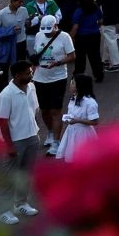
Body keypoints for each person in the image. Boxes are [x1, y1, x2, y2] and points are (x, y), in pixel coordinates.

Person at [0, 61, 43, 225]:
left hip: (31, 137)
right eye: (27, 73)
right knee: (10, 176)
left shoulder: (31, 88)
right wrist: (9, 145)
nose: (30, 75)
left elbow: (34, 109)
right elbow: (2, 121)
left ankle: (21, 203)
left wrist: (35, 131)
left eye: (30, 72)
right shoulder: (6, 95)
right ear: (16, 75)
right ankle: (4, 210)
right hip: (15, 141)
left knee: (26, 173)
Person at [27, 14, 74, 149]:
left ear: (55, 26)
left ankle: (56, 141)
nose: (46, 34)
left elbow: (72, 56)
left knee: (55, 110)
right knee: (44, 110)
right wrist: (32, 73)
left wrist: (57, 62)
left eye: (49, 31)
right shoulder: (38, 35)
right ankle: (50, 132)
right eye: (45, 31)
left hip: (58, 78)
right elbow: (36, 57)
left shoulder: (65, 37)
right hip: (40, 78)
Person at [54, 74, 100, 161]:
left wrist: (77, 120)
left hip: (83, 134)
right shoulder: (73, 99)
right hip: (72, 131)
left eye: (73, 83)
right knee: (73, 156)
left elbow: (94, 122)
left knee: (84, 158)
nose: (70, 85)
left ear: (79, 86)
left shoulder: (90, 102)